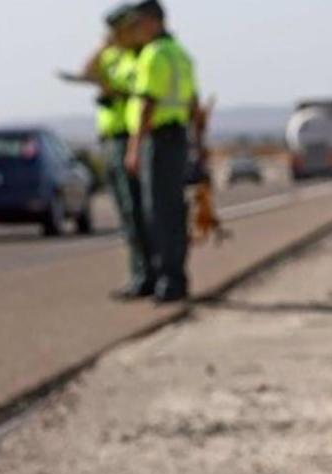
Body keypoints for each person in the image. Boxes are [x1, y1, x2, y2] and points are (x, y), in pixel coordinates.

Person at [59, 4, 155, 299]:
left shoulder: (137, 57)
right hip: (111, 138)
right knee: (127, 213)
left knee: (139, 211)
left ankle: (148, 275)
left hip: (130, 136)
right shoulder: (113, 55)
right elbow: (87, 72)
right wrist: (104, 45)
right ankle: (140, 273)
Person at [124, 0, 203, 302]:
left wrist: (134, 148)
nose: (136, 31)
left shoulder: (155, 54)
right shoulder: (180, 54)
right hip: (177, 137)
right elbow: (194, 102)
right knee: (173, 209)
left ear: (154, 21)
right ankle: (175, 277)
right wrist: (197, 142)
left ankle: (168, 280)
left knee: (158, 211)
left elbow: (148, 103)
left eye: (139, 24)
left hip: (158, 139)